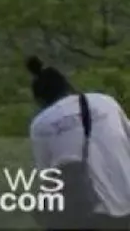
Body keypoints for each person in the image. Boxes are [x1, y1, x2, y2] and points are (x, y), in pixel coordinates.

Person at [26, 56, 130, 229]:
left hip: (89, 211)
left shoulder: (40, 125)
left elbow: (48, 175)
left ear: (40, 100)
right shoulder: (104, 103)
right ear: (68, 87)